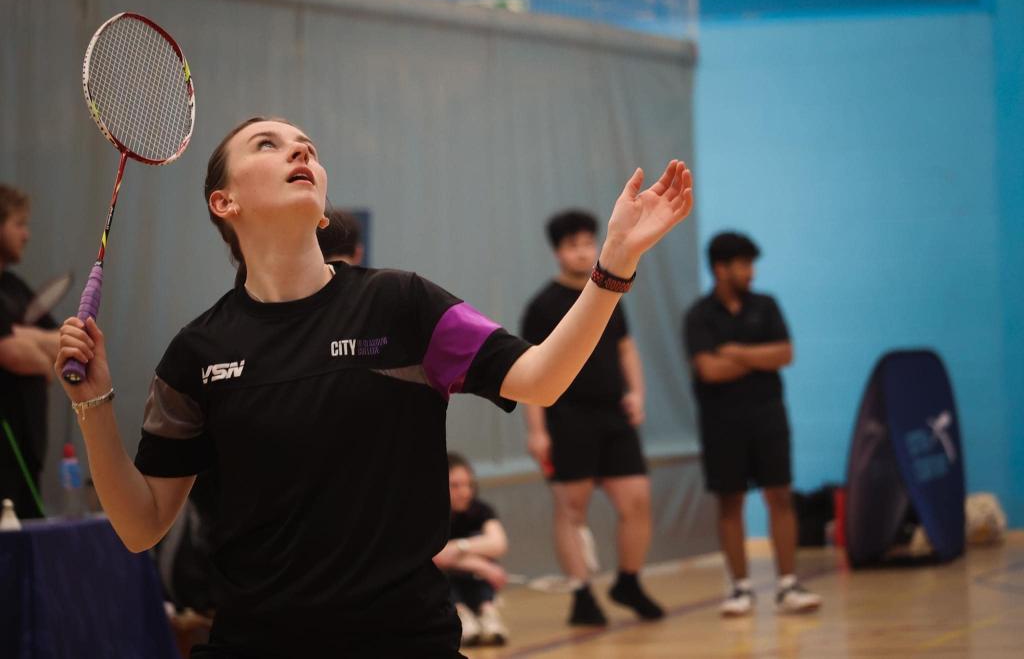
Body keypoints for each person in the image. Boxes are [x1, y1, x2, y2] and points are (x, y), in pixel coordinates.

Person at [54, 116, 693, 657]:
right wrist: (92, 405)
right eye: (268, 145)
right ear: (225, 203)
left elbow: (541, 379)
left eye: (307, 145)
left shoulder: (401, 304)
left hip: (405, 640)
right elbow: (141, 525)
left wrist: (615, 266)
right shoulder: (197, 354)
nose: (300, 150)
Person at [521, 209, 664, 626]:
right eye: (573, 245)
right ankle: (582, 592)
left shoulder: (606, 294)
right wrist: (537, 431)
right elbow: (529, 367)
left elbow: (625, 347)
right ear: (557, 252)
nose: (582, 252)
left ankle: (629, 581)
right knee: (571, 509)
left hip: (612, 414)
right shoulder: (542, 305)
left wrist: (636, 393)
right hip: (566, 416)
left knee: (636, 499)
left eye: (588, 243)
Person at [683, 231, 821, 616]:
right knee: (730, 502)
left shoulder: (767, 306)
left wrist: (739, 352)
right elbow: (708, 369)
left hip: (768, 416)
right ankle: (740, 588)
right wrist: (758, 359)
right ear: (720, 269)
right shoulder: (699, 315)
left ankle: (788, 584)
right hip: (721, 422)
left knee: (780, 495)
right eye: (743, 264)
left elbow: (785, 353)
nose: (751, 272)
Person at [0, 184, 59, 519]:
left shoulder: (14, 287)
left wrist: (23, 336)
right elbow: (11, 353)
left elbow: (60, 342)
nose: (27, 234)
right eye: (19, 224)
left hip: (28, 452)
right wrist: (37, 355)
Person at [433, 453, 509, 647]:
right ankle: (461, 616)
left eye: (468, 485)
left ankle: (487, 612)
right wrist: (482, 566)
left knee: (482, 560)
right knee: (441, 573)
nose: (465, 492)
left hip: (471, 581)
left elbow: (498, 544)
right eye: (455, 486)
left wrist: (461, 548)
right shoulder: (431, 515)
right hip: (444, 585)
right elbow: (436, 557)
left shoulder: (479, 510)